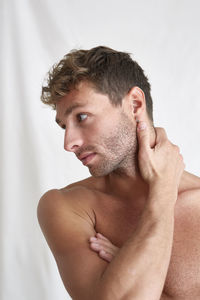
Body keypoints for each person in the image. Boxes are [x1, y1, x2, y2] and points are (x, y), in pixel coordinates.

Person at [37, 46, 200, 300]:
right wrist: (163, 191)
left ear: (135, 104)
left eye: (81, 116)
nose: (68, 143)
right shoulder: (66, 206)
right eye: (63, 127)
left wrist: (129, 265)